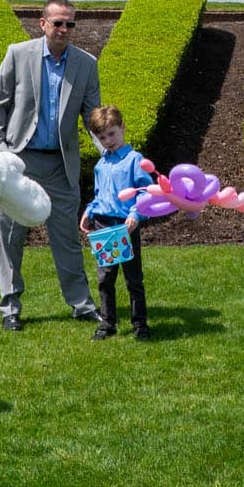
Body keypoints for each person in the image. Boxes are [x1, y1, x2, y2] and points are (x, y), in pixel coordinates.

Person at [0, 0, 102, 330]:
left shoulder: (85, 64)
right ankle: (10, 308)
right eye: (58, 23)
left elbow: (92, 116)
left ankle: (81, 305)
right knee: (10, 238)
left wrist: (111, 149)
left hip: (61, 165)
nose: (64, 29)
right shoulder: (18, 54)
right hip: (19, 161)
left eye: (70, 24)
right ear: (42, 24)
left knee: (67, 238)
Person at [79, 105, 154, 341]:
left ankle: (140, 324)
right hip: (103, 225)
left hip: (126, 224)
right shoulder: (101, 165)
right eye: (102, 138)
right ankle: (107, 323)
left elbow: (146, 192)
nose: (108, 141)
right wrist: (89, 211)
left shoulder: (135, 160)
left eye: (111, 134)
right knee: (105, 277)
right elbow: (100, 194)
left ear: (122, 128)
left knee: (133, 278)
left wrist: (135, 213)